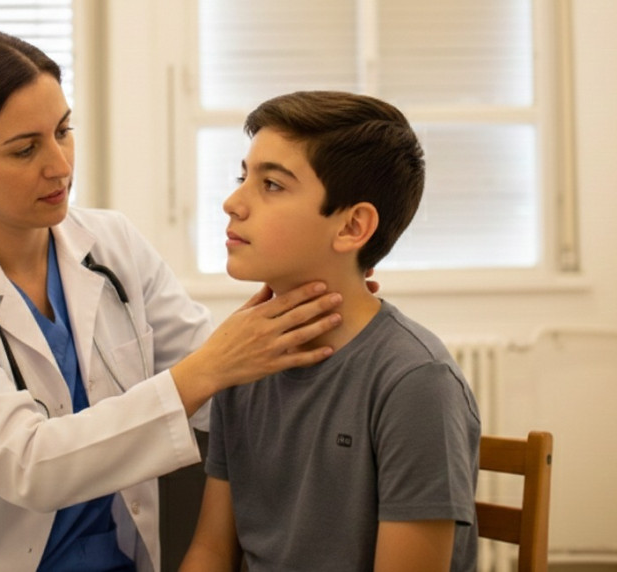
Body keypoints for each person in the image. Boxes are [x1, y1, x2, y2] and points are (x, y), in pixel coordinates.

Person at [0, 31, 348, 571]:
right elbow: (27, 465)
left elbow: (228, 402)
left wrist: (335, 336)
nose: (59, 165)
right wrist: (208, 369)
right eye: (25, 149)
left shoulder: (112, 245)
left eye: (63, 131)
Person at [179, 91, 481, 572]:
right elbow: (211, 550)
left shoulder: (416, 382)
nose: (233, 203)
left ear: (352, 226)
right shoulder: (241, 363)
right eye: (243, 177)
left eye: (272, 185)